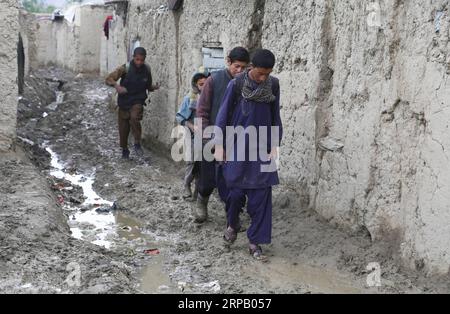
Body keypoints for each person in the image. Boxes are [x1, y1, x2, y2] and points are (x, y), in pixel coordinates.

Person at [214, 49, 283, 261]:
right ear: (252, 67)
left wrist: (274, 144)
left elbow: (274, 115)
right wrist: (219, 145)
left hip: (261, 147)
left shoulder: (273, 85)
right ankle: (232, 224)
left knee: (261, 196)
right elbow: (223, 115)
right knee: (234, 193)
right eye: (261, 73)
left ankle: (255, 242)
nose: (264, 78)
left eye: (267, 74)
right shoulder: (235, 85)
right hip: (237, 146)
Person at [194, 47, 250, 223]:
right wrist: (206, 139)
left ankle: (232, 215)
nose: (239, 71)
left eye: (243, 67)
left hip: (236, 138)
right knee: (208, 178)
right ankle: (201, 202)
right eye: (236, 66)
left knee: (234, 179)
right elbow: (201, 111)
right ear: (228, 62)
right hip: (213, 136)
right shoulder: (214, 80)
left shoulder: (249, 83)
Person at [105, 47, 160, 159]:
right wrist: (117, 86)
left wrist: (154, 87)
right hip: (124, 101)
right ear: (133, 58)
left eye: (142, 60)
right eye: (137, 59)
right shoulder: (125, 68)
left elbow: (148, 85)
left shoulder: (147, 69)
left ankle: (137, 142)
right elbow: (109, 78)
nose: (139, 62)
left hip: (138, 100)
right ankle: (125, 149)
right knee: (123, 129)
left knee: (134, 117)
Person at [176, 69, 210, 201]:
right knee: (191, 161)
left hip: (206, 134)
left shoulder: (211, 98)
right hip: (191, 134)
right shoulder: (190, 98)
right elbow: (180, 117)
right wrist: (193, 127)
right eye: (201, 84)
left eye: (206, 84)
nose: (204, 87)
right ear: (196, 85)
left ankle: (198, 191)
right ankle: (186, 185)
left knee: (202, 163)